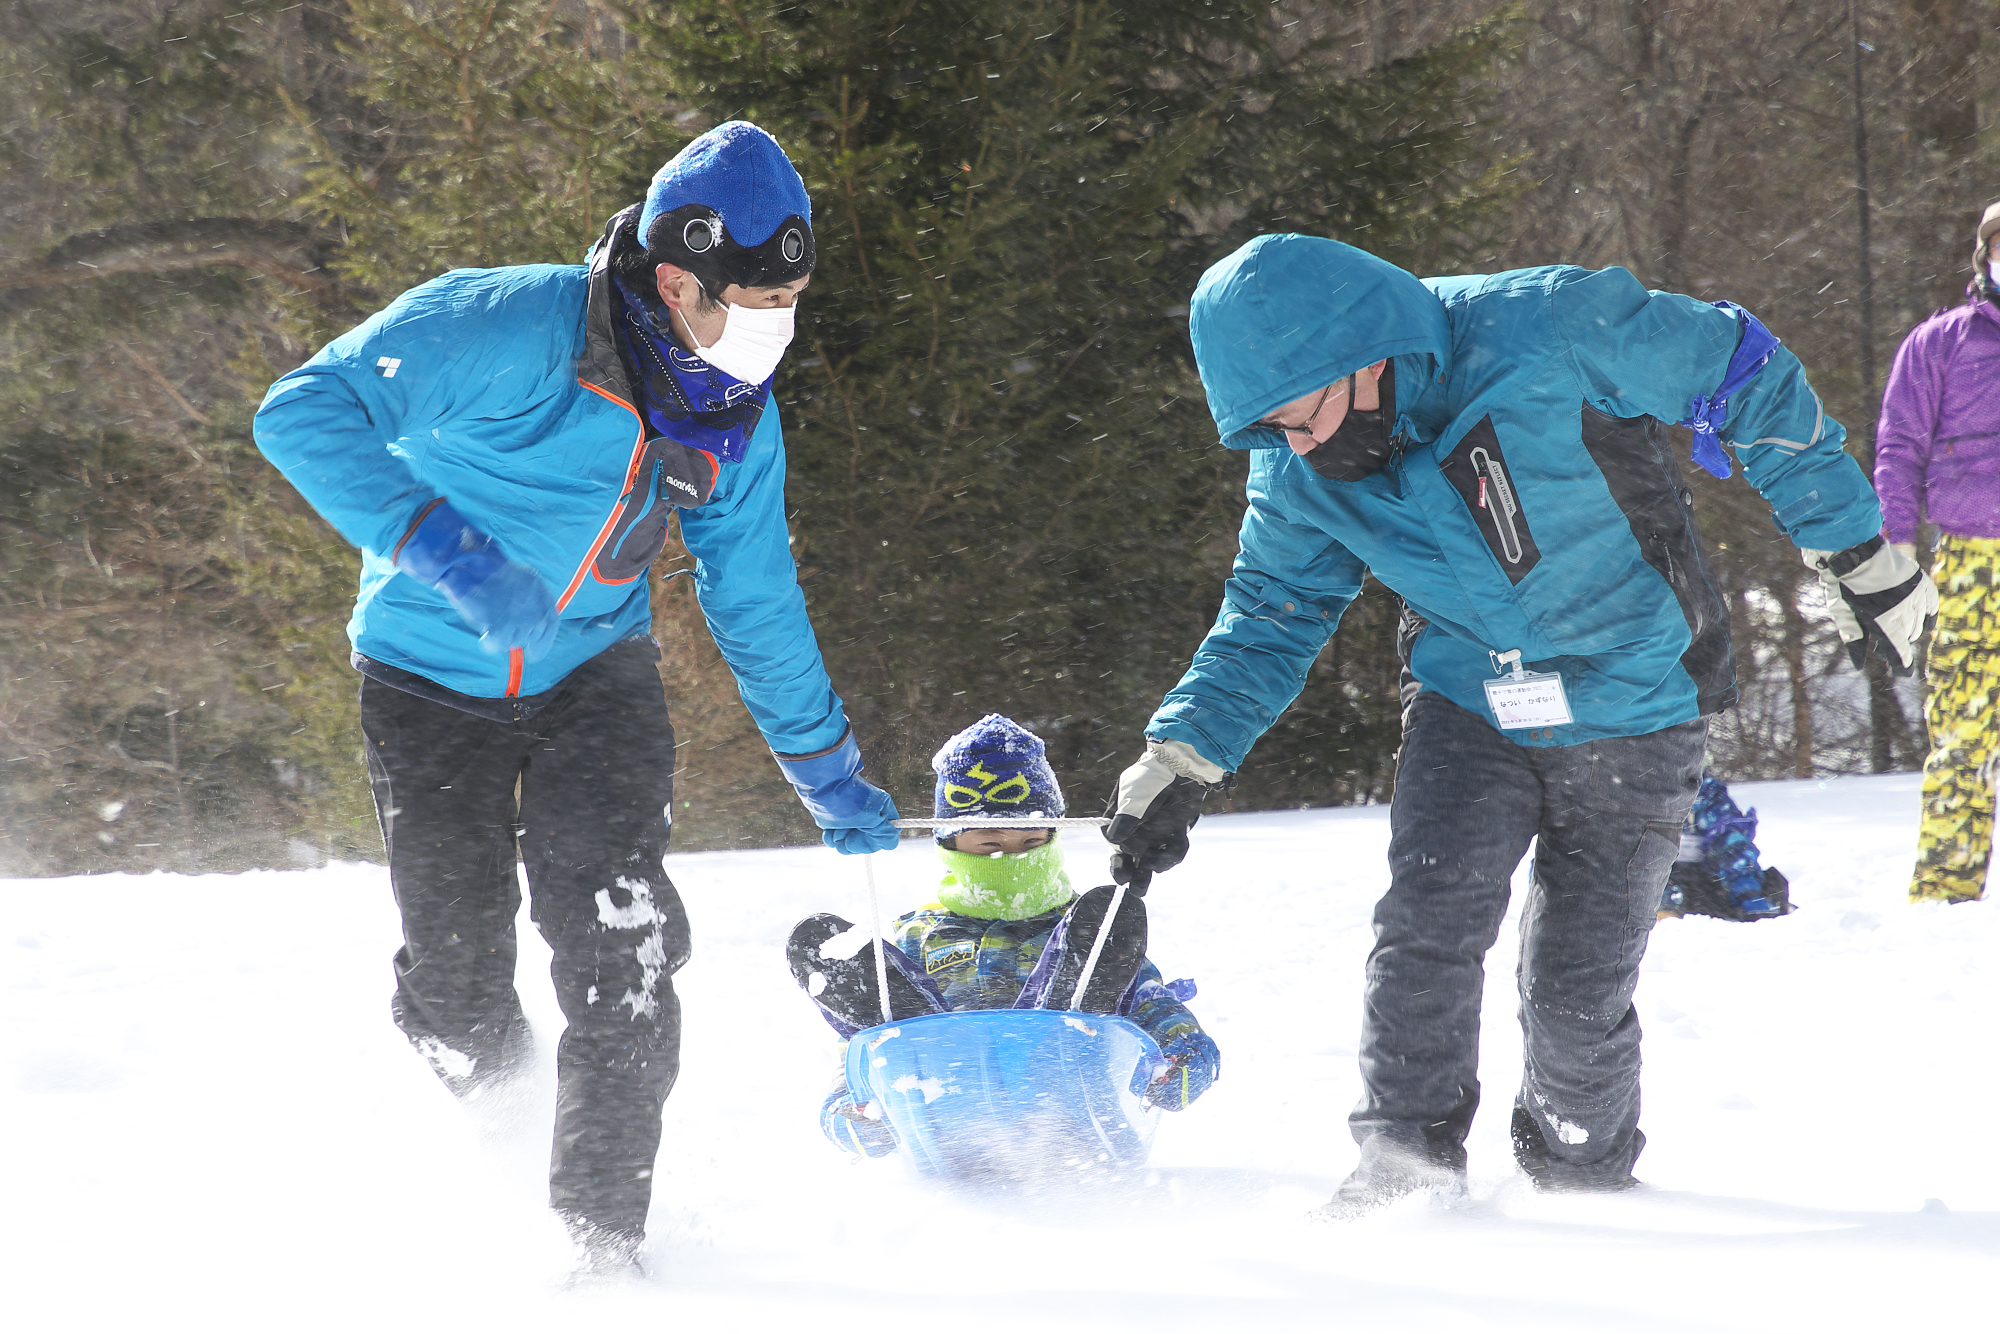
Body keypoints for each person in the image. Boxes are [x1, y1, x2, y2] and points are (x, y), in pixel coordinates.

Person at [1102, 234, 1937, 1215]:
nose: (1300, 447)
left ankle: (1581, 1178)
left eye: (1304, 414)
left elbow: (1739, 364)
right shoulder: (1297, 469)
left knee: (1574, 986)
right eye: (1273, 430)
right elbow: (1271, 612)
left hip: (1635, 697)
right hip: (1470, 697)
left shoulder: (1546, 326)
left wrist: (1848, 547)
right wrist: (1182, 755)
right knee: (1424, 925)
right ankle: (1402, 1166)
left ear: (1362, 353)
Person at [252, 122, 900, 1272]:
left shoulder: (735, 415)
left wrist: (822, 760)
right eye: (757, 304)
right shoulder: (504, 323)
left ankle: (604, 1244)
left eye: (791, 303)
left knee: (624, 951)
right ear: (676, 279)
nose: (777, 331)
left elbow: (753, 594)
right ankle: (506, 1120)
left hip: (596, 677)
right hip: (424, 678)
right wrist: (448, 554)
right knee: (455, 982)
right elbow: (300, 410)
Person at [785, 715, 1219, 1158]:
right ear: (950, 844)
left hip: (1078, 1135)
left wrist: (1184, 1052)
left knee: (1099, 948)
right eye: (990, 845)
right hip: (950, 1132)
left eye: (1030, 843)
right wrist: (848, 1105)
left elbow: (1150, 1001)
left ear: (1052, 837)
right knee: (891, 1010)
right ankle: (917, 1086)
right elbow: (861, 1044)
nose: (1010, 857)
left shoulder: (1095, 932)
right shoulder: (920, 934)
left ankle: (1064, 1024)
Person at [1874, 199, 2000, 905]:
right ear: (1984, 257)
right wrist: (1896, 543)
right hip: (1975, 560)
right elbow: (1899, 446)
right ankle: (1948, 894)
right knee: (1964, 729)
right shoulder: (1940, 343)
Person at [1656, 773, 1792, 921]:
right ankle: (1663, 913)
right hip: (1653, 880)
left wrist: (1747, 890)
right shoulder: (1641, 791)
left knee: (1772, 884)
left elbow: (1730, 841)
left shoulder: (1707, 794)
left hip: (1705, 883)